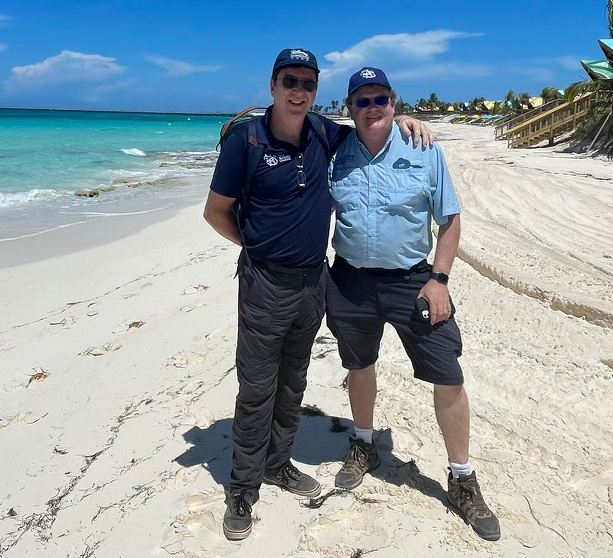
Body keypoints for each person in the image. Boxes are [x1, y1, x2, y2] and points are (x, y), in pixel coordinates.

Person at [204, 49, 432, 541]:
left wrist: (401, 117)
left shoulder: (325, 134)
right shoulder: (245, 140)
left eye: (308, 84)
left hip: (314, 282)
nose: (299, 91)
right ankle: (242, 487)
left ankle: (278, 463)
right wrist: (258, 245)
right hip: (264, 283)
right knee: (257, 385)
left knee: (294, 380)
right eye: (290, 80)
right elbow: (215, 212)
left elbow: (372, 129)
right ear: (272, 84)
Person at [326, 66, 500, 542]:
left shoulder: (425, 149)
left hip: (414, 282)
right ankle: (364, 444)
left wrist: (439, 280)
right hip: (350, 281)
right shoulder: (333, 152)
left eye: (380, 99)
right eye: (361, 101)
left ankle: (462, 476)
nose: (372, 108)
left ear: (393, 103)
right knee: (359, 366)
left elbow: (450, 219)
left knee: (447, 374)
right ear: (349, 109)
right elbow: (278, 124)